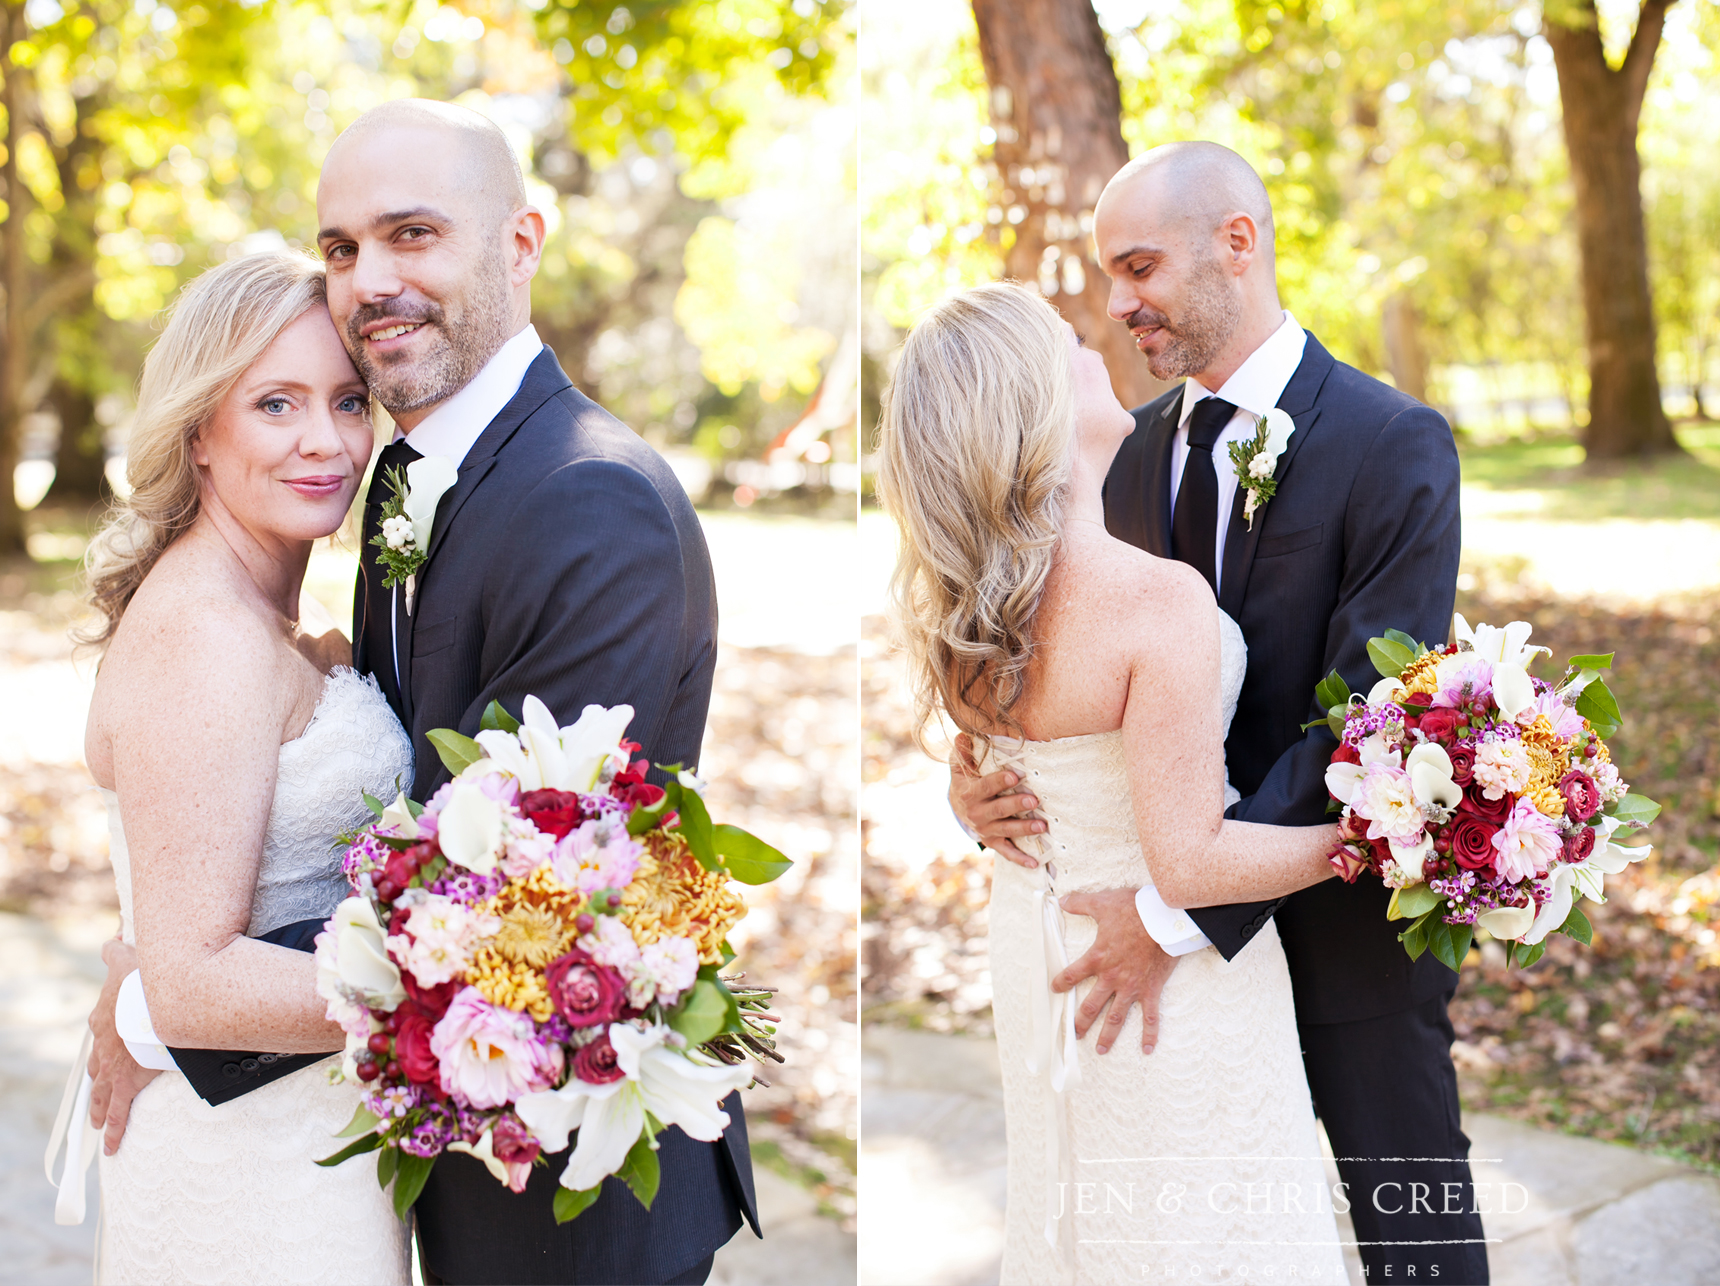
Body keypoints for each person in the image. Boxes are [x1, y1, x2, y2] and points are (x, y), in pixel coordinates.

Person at [83, 100, 757, 1285]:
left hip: (555, 1195)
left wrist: (154, 996)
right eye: (342, 248)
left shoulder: (587, 502)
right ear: (200, 431)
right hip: (344, 1164)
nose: (371, 279)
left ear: (520, 241)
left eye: (412, 234)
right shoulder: (407, 486)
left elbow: (533, 924)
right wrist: (166, 970)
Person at [950, 142, 1489, 1284]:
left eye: (1138, 266)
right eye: (1107, 273)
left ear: (1236, 243)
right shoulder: (1119, 451)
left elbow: (1367, 727)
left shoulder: (1392, 444)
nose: (1115, 304)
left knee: (1416, 1241)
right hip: (1181, 996)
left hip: (1336, 937)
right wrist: (983, 766)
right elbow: (1047, 648)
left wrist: (1173, 908)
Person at [878, 279, 1349, 1285]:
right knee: (1205, 1226)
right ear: (1035, 405)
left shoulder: (967, 618)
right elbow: (1191, 857)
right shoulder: (1152, 602)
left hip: (1038, 949)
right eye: (1067, 344)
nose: (1098, 351)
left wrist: (970, 794)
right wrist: (1372, 846)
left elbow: (1016, 770)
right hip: (1171, 980)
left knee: (1079, 1218)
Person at [74, 250, 412, 1283]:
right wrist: (474, 989)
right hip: (252, 1180)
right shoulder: (207, 634)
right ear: (200, 435)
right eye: (276, 403)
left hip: (308, 1137)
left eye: (349, 400)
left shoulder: (267, 611)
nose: (327, 441)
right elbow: (196, 983)